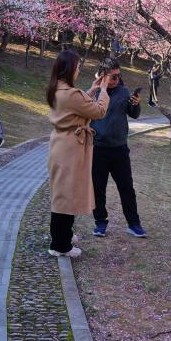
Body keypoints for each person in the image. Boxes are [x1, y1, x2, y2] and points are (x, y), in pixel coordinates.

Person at [46, 49, 110, 258]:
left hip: (61, 145)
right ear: (70, 69)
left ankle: (63, 236)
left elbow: (77, 106)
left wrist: (91, 90)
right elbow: (98, 111)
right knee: (66, 196)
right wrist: (103, 91)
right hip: (70, 149)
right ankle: (60, 245)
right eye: (78, 66)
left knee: (64, 193)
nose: (79, 70)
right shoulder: (72, 94)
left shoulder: (57, 89)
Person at [90, 58, 146, 238]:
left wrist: (135, 104)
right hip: (98, 149)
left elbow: (134, 114)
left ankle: (134, 224)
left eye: (118, 75)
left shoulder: (123, 91)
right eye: (112, 76)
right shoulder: (94, 92)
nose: (116, 79)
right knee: (98, 189)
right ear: (102, 75)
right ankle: (100, 223)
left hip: (119, 149)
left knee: (126, 188)